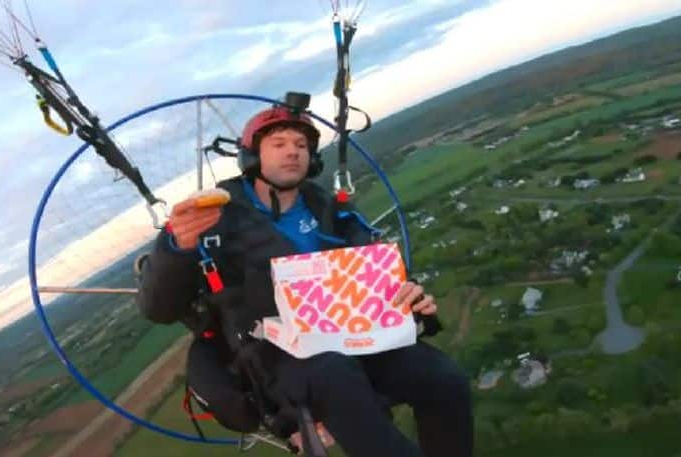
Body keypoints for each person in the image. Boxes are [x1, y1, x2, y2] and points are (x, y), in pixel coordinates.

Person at [136, 103, 473, 457]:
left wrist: (409, 295)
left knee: (442, 379)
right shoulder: (215, 218)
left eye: (301, 145)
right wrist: (176, 246)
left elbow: (372, 269)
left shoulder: (330, 209)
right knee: (334, 373)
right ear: (252, 155)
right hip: (278, 358)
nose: (293, 151)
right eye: (278, 143)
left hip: (356, 336)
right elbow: (158, 307)